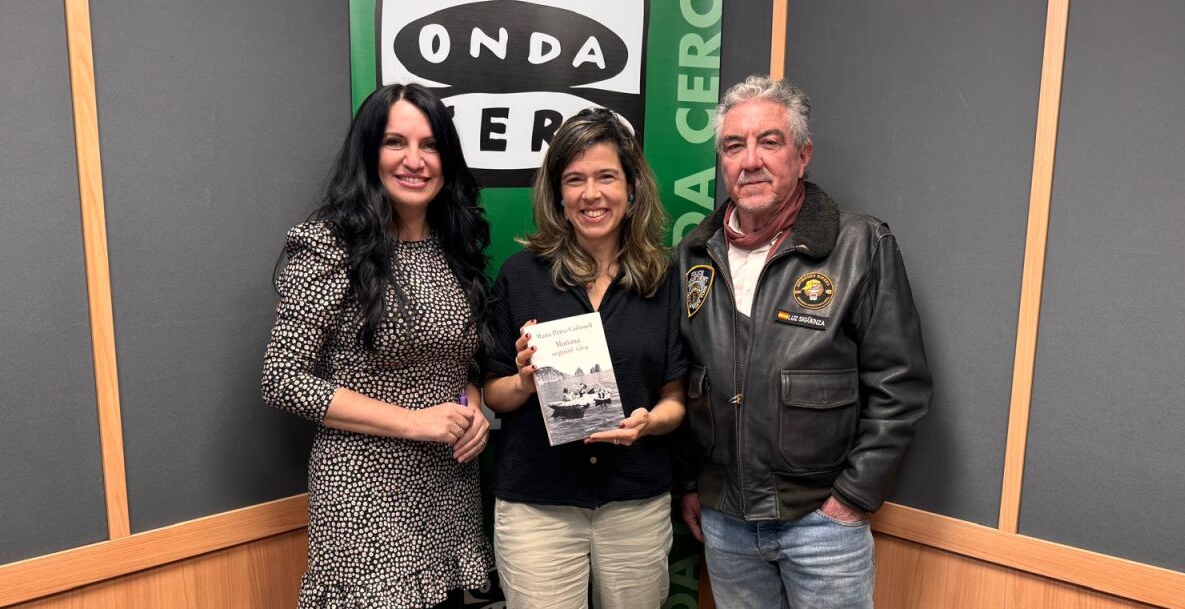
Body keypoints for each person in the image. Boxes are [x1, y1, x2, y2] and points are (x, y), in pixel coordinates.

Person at [675, 75, 932, 609]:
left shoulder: (860, 245)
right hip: (725, 523)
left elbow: (900, 386)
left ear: (803, 154)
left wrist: (851, 499)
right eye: (734, 146)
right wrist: (694, 486)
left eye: (769, 142)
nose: (750, 161)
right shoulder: (694, 255)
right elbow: (681, 380)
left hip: (821, 526)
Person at [261, 83, 494, 609]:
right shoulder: (328, 244)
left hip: (448, 486)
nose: (415, 160)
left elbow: (459, 358)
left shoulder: (454, 245)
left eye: (430, 145)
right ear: (369, 152)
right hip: (364, 496)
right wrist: (413, 422)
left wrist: (472, 406)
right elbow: (282, 379)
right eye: (395, 142)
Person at [483, 108, 688, 609]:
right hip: (538, 505)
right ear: (557, 193)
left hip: (634, 503)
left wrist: (648, 423)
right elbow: (493, 393)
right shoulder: (520, 275)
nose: (591, 194)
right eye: (575, 180)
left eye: (606, 177)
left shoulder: (662, 280)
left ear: (632, 188)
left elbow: (675, 401)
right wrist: (524, 381)